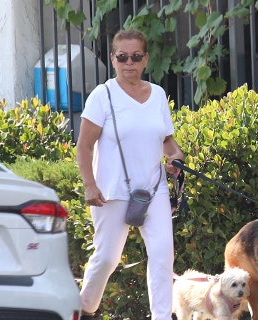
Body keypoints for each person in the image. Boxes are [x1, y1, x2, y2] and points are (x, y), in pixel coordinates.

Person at [76, 29, 184, 320]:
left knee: (162, 256)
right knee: (107, 259)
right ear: (112, 59)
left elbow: (165, 140)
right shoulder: (103, 96)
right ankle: (85, 309)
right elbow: (84, 146)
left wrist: (175, 156)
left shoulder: (158, 95)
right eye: (122, 57)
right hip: (112, 192)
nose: (129, 63)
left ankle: (161, 316)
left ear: (146, 59)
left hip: (154, 189)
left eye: (136, 56)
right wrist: (89, 185)